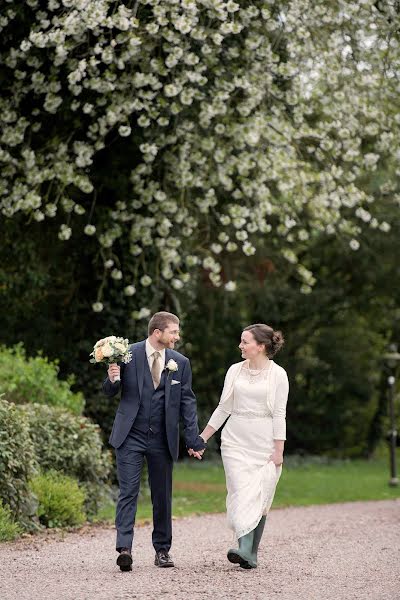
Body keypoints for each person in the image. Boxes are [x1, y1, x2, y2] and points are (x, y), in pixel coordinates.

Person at [103, 311, 206, 572]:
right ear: (157, 333)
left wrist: (193, 439)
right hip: (130, 436)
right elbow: (109, 391)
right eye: (174, 331)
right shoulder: (128, 354)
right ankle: (124, 549)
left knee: (162, 496)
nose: (177, 336)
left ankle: (162, 551)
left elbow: (187, 403)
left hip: (162, 438)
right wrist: (113, 378)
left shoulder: (180, 362)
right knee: (128, 492)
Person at [200, 323, 289, 569]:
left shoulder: (278, 374)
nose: (240, 345)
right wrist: (203, 437)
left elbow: (280, 413)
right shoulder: (234, 371)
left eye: (245, 342)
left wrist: (278, 449)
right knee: (240, 490)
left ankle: (251, 553)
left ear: (260, 346)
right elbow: (224, 407)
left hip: (264, 443)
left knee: (260, 495)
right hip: (235, 442)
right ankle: (243, 548)